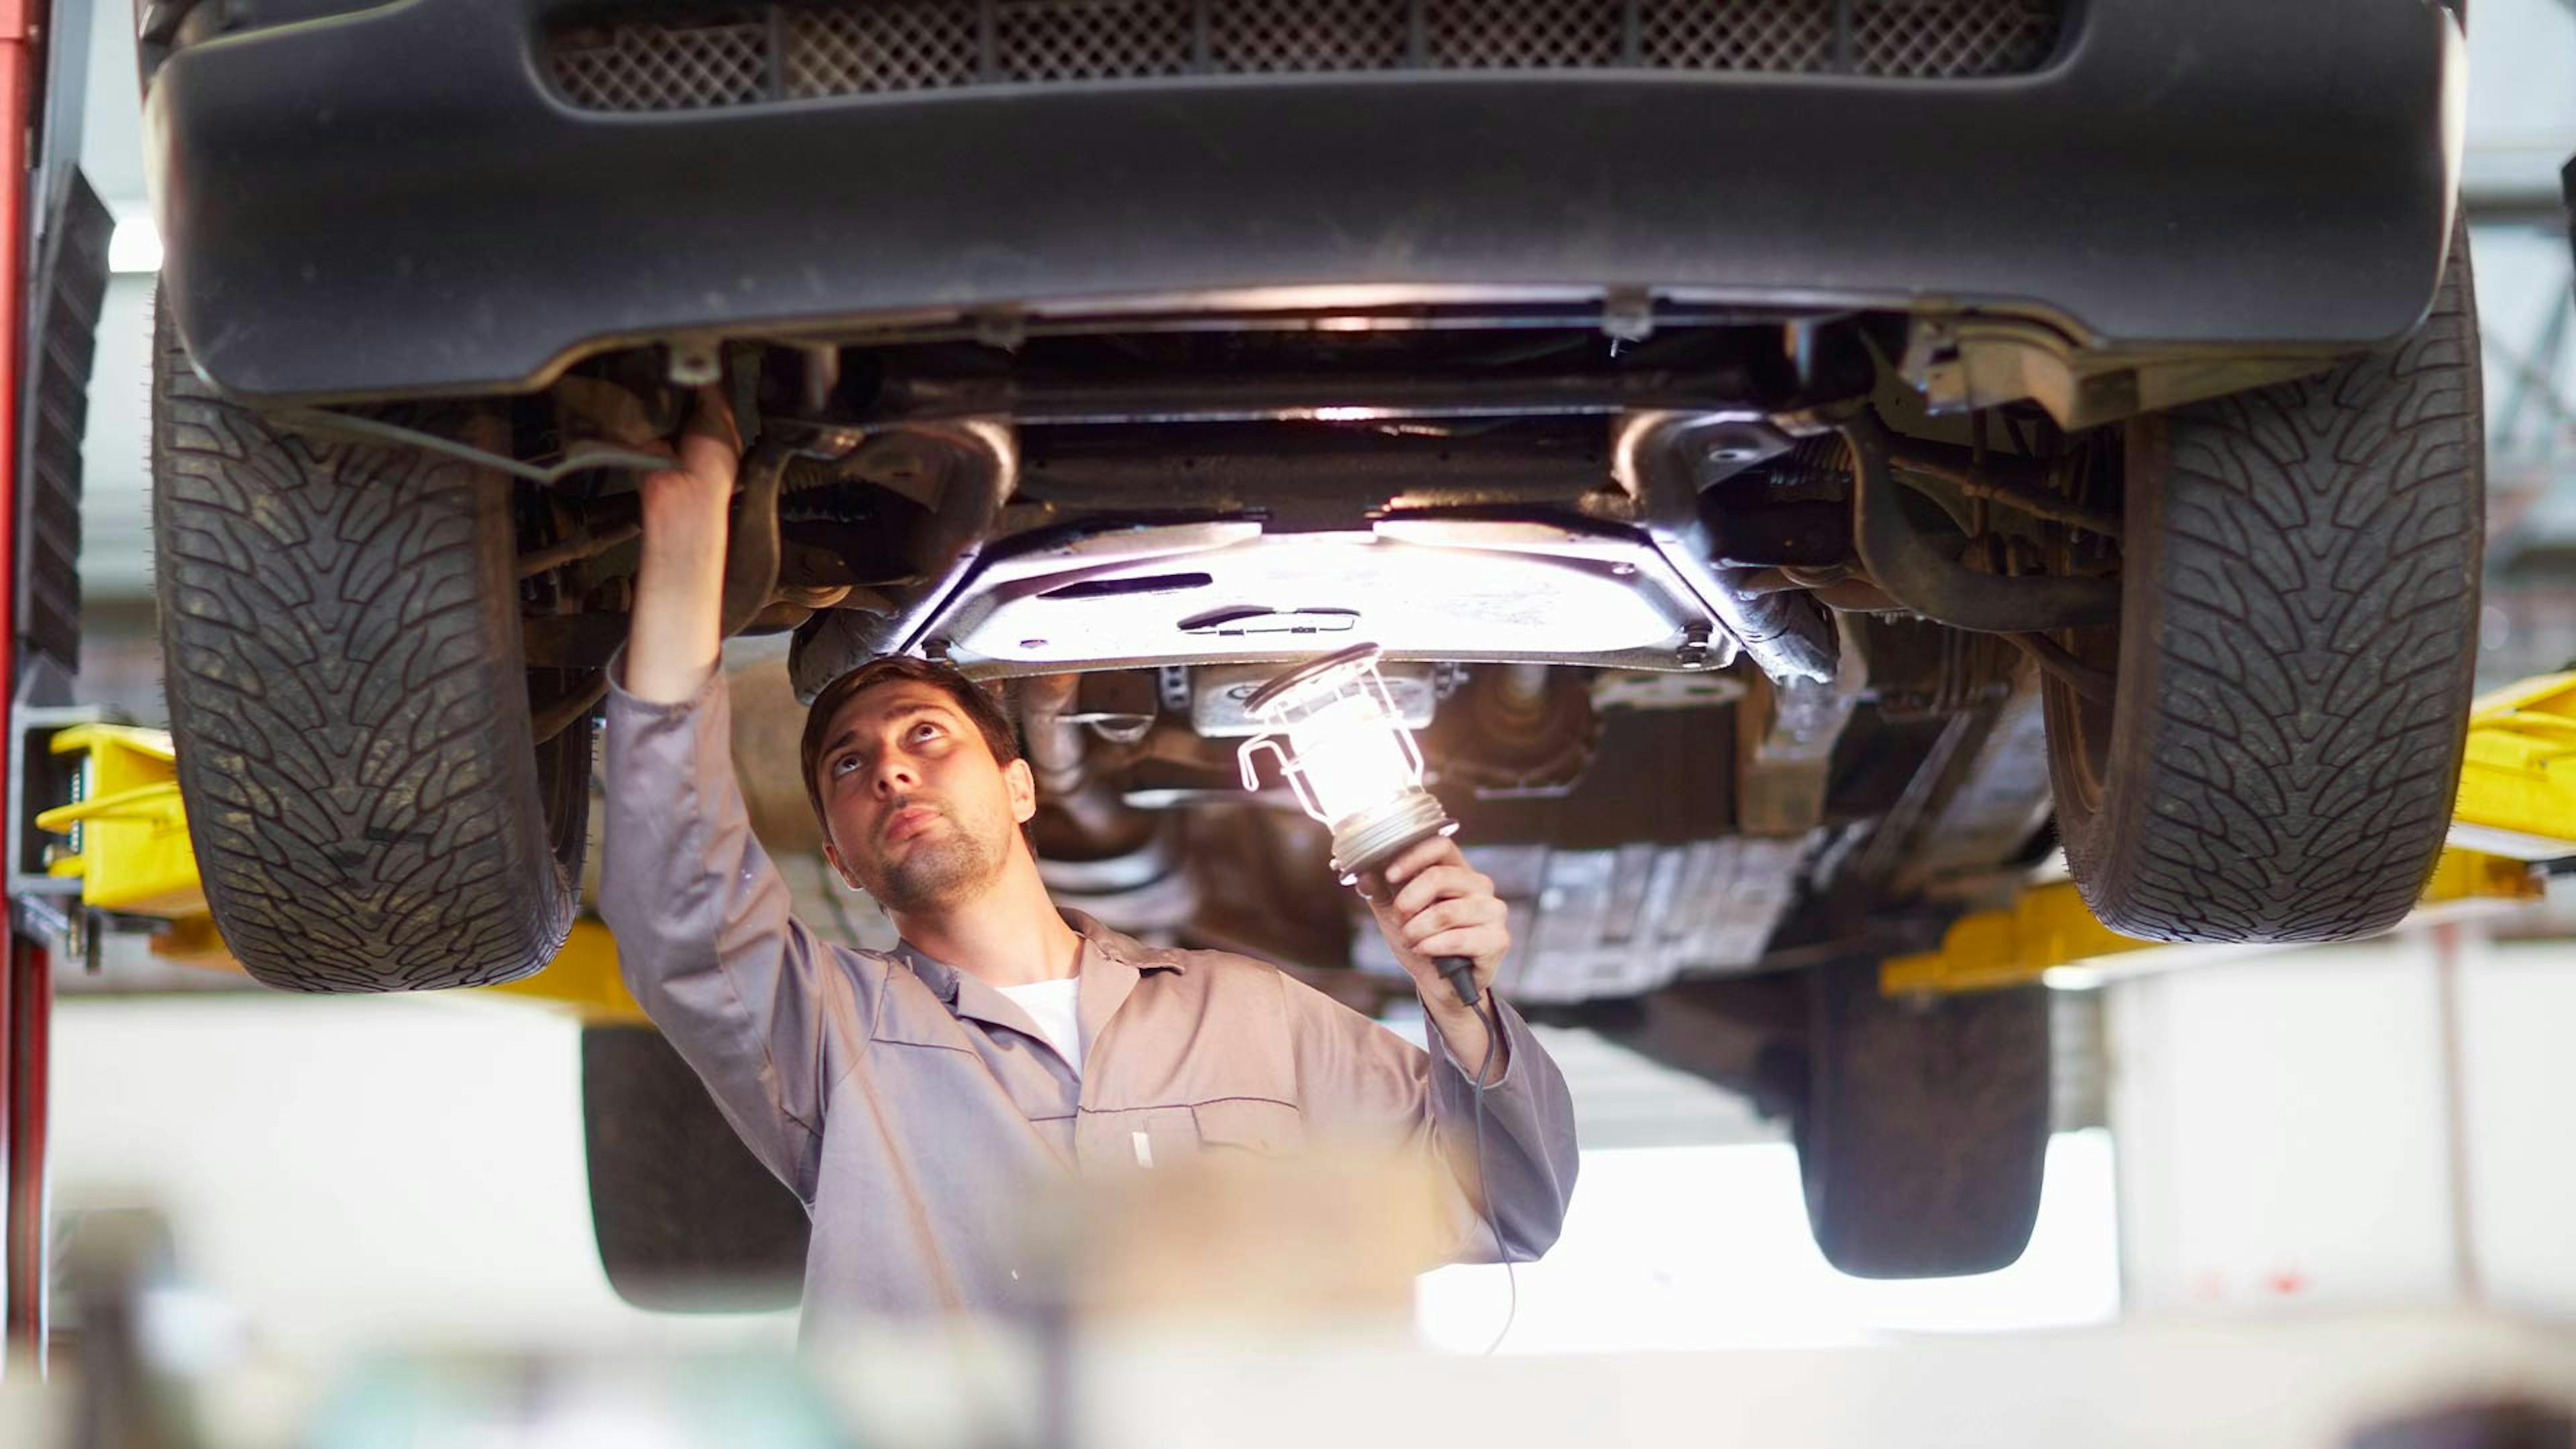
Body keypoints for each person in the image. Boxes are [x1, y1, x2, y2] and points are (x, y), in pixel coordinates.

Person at [600, 388, 1578, 1334]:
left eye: (928, 735)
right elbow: (680, 903)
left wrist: (1461, 1014)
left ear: (1020, 787)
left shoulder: (1254, 1018)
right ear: (841, 862)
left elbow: (1506, 1208)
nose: (891, 769)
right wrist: (684, 569)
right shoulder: (830, 1037)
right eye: (851, 764)